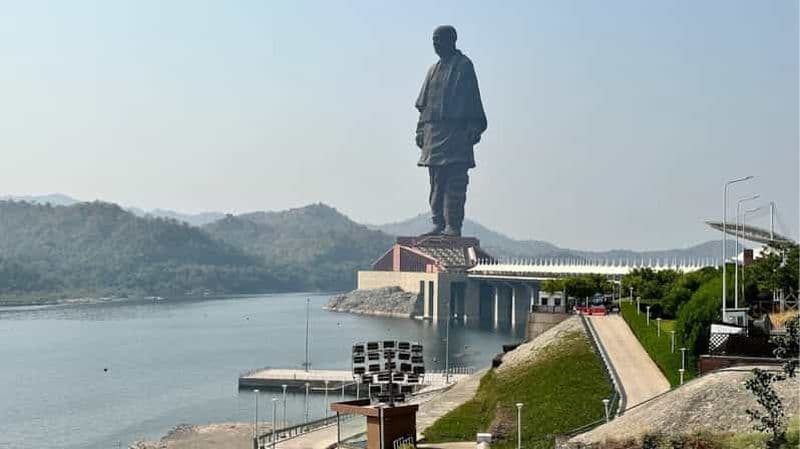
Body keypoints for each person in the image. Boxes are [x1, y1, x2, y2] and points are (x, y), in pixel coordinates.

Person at [415, 25, 487, 237]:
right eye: (433, 40)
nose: (435, 44)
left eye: (439, 39)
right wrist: (420, 131)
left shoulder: (464, 66)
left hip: (455, 133)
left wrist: (473, 128)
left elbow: (473, 100)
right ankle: (438, 222)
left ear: (451, 40)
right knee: (435, 182)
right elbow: (424, 106)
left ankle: (453, 225)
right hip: (433, 134)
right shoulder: (432, 70)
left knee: (455, 181)